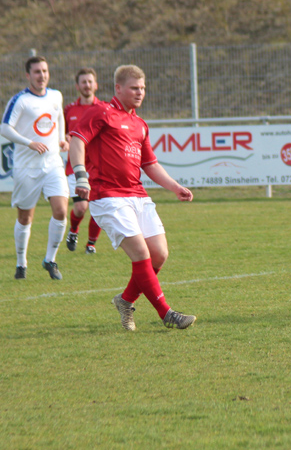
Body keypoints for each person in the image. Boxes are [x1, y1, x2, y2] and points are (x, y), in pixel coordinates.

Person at [68, 65, 196, 330]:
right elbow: (77, 141)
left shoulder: (140, 124)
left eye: (143, 88)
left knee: (159, 254)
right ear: (118, 88)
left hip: (137, 195)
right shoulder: (101, 112)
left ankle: (125, 301)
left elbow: (150, 165)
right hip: (108, 197)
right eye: (134, 88)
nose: (140, 93)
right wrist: (81, 175)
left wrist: (174, 187)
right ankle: (167, 314)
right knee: (140, 253)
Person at [0, 56, 69, 280]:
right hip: (26, 166)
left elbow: (59, 117)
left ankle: (50, 260)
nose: (42, 75)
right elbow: (5, 128)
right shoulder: (20, 100)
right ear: (28, 75)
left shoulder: (56, 95)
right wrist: (28, 142)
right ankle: (21, 263)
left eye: (45, 71)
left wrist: (61, 139)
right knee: (25, 218)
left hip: (52, 164)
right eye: (37, 72)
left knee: (60, 210)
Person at [64, 68, 104, 254]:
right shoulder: (69, 110)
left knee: (98, 207)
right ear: (77, 86)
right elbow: (60, 133)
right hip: (75, 167)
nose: (87, 85)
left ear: (95, 85)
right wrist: (63, 139)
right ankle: (73, 230)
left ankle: (91, 244)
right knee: (80, 208)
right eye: (83, 82)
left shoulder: (103, 109)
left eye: (90, 82)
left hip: (97, 167)